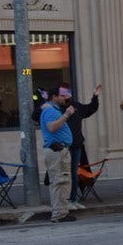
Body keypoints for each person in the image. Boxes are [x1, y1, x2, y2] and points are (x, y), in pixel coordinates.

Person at [39, 85, 76, 223]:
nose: (65, 97)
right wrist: (66, 115)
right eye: (62, 95)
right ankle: (59, 214)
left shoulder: (52, 109)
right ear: (54, 97)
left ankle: (61, 212)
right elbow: (51, 127)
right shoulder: (50, 110)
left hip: (59, 150)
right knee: (60, 182)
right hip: (57, 151)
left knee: (62, 181)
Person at [62, 81, 101, 208]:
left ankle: (73, 200)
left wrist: (95, 96)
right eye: (64, 93)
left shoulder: (75, 106)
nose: (67, 95)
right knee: (65, 173)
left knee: (74, 173)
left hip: (76, 144)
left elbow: (90, 109)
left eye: (68, 92)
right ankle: (64, 200)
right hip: (63, 146)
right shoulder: (56, 108)